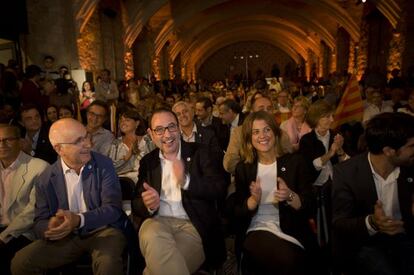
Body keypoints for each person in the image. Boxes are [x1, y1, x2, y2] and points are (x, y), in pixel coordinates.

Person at [11, 118, 128, 275]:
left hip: (103, 230)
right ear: (59, 149)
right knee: (20, 262)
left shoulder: (103, 164)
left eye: (86, 136)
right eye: (79, 141)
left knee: (107, 264)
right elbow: (39, 222)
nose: (88, 144)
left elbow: (113, 209)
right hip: (66, 237)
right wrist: (51, 227)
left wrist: (79, 220)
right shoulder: (46, 178)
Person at [132, 108, 227, 275]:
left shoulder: (201, 152)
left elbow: (219, 188)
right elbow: (136, 203)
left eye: (171, 127)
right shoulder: (148, 162)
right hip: (157, 223)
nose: (167, 135)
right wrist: (149, 205)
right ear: (151, 134)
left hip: (193, 226)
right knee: (151, 233)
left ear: (179, 128)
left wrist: (187, 181)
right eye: (159, 130)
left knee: (154, 270)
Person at [232, 111, 316, 275]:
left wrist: (290, 196)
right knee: (285, 260)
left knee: (290, 260)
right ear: (250, 138)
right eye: (256, 132)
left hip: (292, 230)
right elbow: (235, 212)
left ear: (275, 133)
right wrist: (251, 202)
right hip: (257, 228)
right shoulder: (244, 169)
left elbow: (311, 206)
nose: (262, 136)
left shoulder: (295, 162)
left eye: (267, 130)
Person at [332, 112, 414, 275]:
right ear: (389, 151)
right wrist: (373, 222)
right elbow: (339, 223)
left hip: (407, 236)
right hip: (366, 243)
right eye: (411, 146)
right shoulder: (346, 173)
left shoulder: (410, 166)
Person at [0, 124, 49, 275]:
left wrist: (3, 237)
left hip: (23, 231)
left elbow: (32, 211)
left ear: (20, 142)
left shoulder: (39, 167)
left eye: (7, 139)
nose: (2, 145)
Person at [299, 99, 348, 247]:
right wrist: (331, 152)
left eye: (332, 116)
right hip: (316, 190)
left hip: (336, 187)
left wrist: (340, 151)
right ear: (316, 118)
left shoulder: (337, 136)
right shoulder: (307, 140)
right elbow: (311, 166)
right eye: (327, 116)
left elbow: (348, 165)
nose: (332, 120)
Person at [108, 109, 152, 182]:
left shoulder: (147, 140)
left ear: (137, 123)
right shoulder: (116, 144)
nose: (123, 123)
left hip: (144, 180)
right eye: (121, 120)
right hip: (123, 182)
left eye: (127, 120)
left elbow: (153, 162)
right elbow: (112, 167)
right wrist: (127, 156)